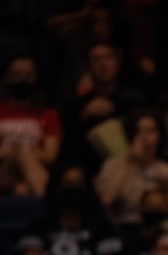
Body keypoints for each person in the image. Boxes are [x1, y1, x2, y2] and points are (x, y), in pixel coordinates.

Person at [0, 55, 61, 198]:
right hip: (1, 174)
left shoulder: (49, 115)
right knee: (22, 155)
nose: (23, 80)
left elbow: (50, 156)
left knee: (23, 187)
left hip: (36, 172)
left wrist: (20, 152)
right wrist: (14, 153)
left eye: (28, 75)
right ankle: (49, 204)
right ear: (6, 78)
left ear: (36, 78)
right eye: (17, 75)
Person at [59, 42, 144, 174]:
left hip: (129, 167)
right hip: (88, 169)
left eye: (108, 57)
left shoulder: (135, 103)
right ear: (87, 66)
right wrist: (84, 116)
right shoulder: (74, 107)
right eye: (96, 59)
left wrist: (116, 112)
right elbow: (67, 151)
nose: (103, 64)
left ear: (118, 63)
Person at [95, 110, 168, 226]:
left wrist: (162, 197)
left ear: (160, 135)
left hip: (156, 228)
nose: (144, 137)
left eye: (151, 131)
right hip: (121, 227)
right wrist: (129, 160)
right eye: (138, 131)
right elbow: (106, 200)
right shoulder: (112, 165)